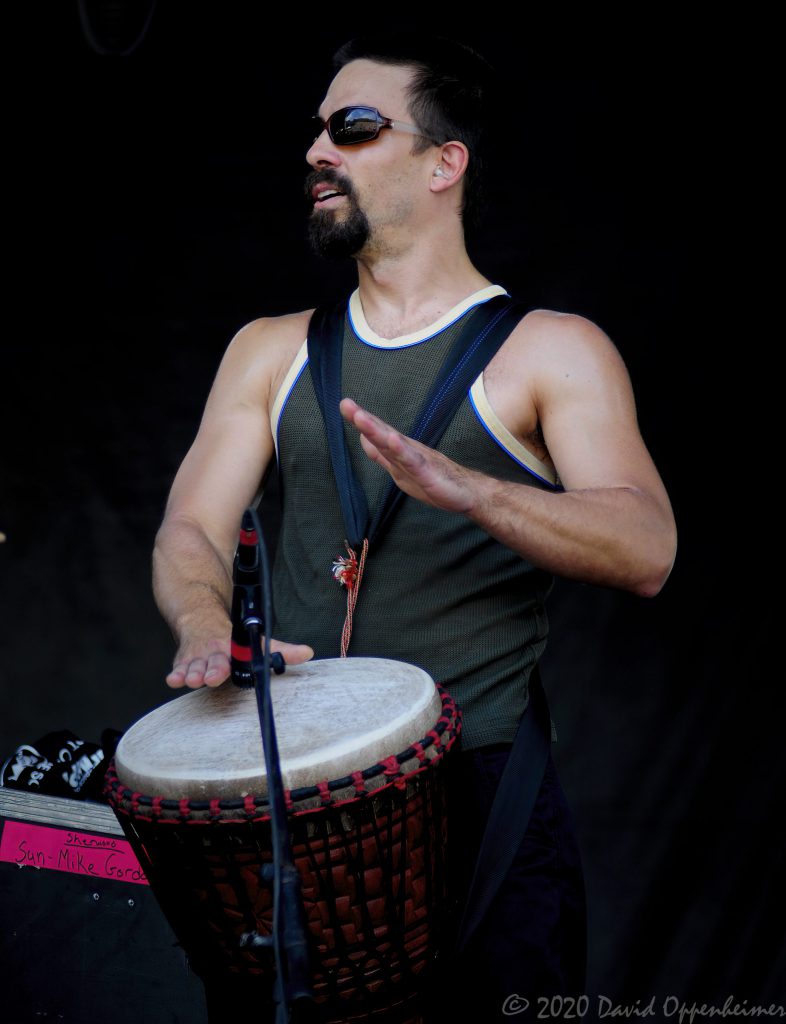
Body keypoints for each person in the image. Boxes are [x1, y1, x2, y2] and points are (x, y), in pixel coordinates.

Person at [152, 33, 676, 1023]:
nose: (317, 150)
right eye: (315, 130)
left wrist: (474, 489)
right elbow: (191, 528)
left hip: (480, 797)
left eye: (352, 127)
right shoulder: (270, 353)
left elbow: (647, 547)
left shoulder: (551, 352)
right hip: (287, 798)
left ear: (444, 163)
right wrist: (200, 622)